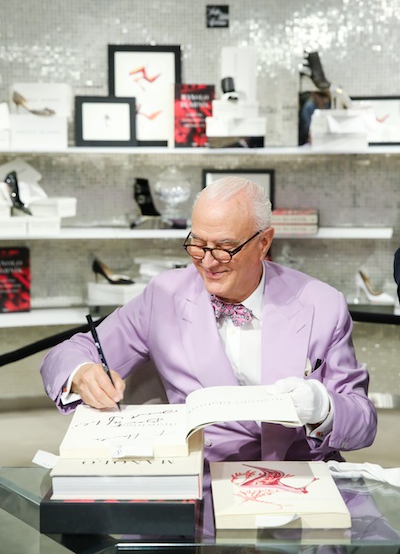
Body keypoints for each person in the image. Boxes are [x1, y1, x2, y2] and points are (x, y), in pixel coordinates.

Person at [41, 176, 377, 465]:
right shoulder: (164, 295)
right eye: (198, 245)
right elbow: (69, 352)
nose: (208, 262)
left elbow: (363, 421)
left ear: (263, 243)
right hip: (201, 481)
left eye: (224, 248)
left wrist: (323, 408)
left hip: (300, 479)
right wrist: (81, 373)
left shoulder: (322, 304)